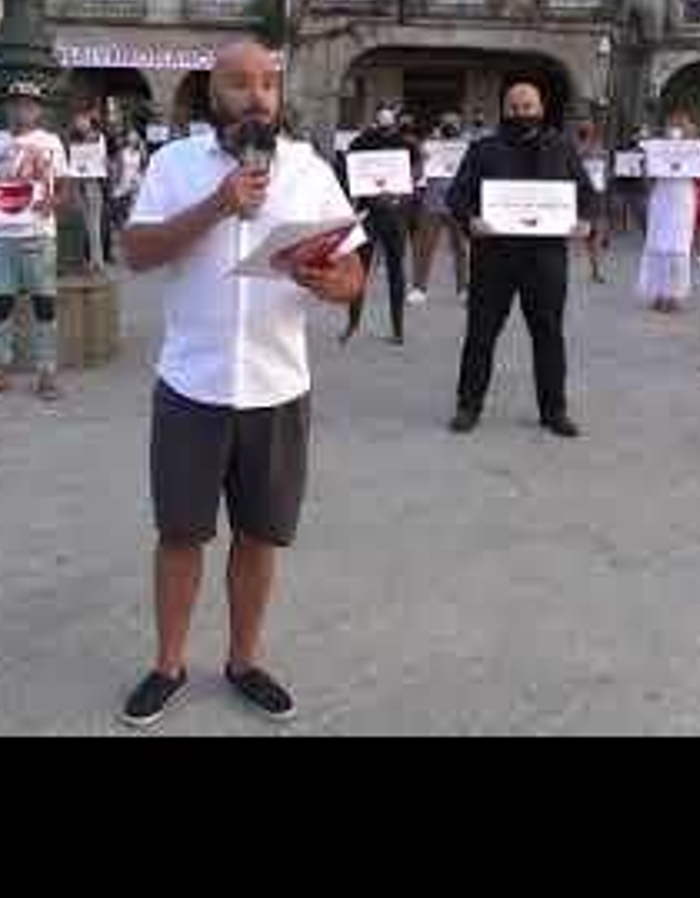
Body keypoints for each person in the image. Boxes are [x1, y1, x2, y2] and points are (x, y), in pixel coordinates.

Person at [117, 39, 366, 728]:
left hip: (277, 387)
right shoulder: (174, 165)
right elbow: (135, 253)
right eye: (239, 83)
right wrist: (218, 207)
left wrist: (329, 280)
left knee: (260, 536)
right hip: (191, 385)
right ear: (210, 92)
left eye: (267, 83)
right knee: (180, 535)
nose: (257, 96)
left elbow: (353, 276)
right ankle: (167, 665)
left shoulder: (310, 171)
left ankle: (243, 661)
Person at [447, 80, 597, 438]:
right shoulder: (483, 149)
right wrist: (471, 220)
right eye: (515, 108)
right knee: (480, 335)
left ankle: (554, 410)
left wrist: (585, 221)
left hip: (545, 260)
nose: (522, 113)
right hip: (494, 257)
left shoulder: (561, 148)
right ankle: (468, 406)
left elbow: (588, 194)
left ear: (541, 109)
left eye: (528, 106)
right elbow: (457, 195)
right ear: (505, 111)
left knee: (549, 336)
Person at [0, 80, 70, 400]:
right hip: (2, 233)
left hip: (39, 234)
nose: (22, 109)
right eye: (16, 103)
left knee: (44, 304)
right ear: (8, 107)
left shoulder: (52, 143)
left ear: (38, 110)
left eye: (29, 104)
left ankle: (47, 373)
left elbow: (63, 188)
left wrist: (51, 203)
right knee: (0, 303)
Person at [341, 104, 419, 345]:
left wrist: (403, 190)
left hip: (395, 213)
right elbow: (347, 166)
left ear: (394, 122)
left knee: (396, 271)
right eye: (381, 122)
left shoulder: (406, 143)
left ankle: (398, 329)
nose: (386, 127)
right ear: (375, 120)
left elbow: (417, 169)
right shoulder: (362, 141)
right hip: (368, 212)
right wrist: (357, 188)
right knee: (360, 270)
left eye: (389, 123)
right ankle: (353, 324)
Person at [637, 110, 700, 313]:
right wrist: (646, 166)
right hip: (662, 197)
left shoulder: (697, 148)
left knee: (679, 248)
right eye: (673, 124)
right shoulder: (657, 148)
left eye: (682, 124)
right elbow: (647, 179)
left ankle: (674, 296)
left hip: (683, 198)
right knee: (657, 245)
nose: (677, 128)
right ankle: (657, 294)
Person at [409, 112, 468, 305]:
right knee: (424, 248)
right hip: (432, 204)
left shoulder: (466, 147)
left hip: (458, 205)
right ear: (440, 126)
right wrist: (423, 160)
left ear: (460, 126)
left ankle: (463, 289)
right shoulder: (428, 146)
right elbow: (415, 176)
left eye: (454, 123)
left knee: (461, 249)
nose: (450, 126)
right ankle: (419, 288)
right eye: (446, 123)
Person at [69, 110, 109, 272]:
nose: (78, 124)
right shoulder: (76, 139)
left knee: (93, 223)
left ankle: (97, 261)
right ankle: (90, 259)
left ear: (88, 123)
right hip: (80, 182)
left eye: (81, 121)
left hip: (92, 183)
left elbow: (101, 158)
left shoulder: (98, 138)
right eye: (77, 121)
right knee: (86, 224)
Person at [575, 121, 610, 283]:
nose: (589, 132)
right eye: (586, 130)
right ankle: (592, 268)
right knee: (586, 233)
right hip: (583, 197)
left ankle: (596, 270)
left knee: (595, 233)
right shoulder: (577, 151)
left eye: (590, 129)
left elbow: (606, 173)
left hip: (597, 195)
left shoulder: (600, 150)